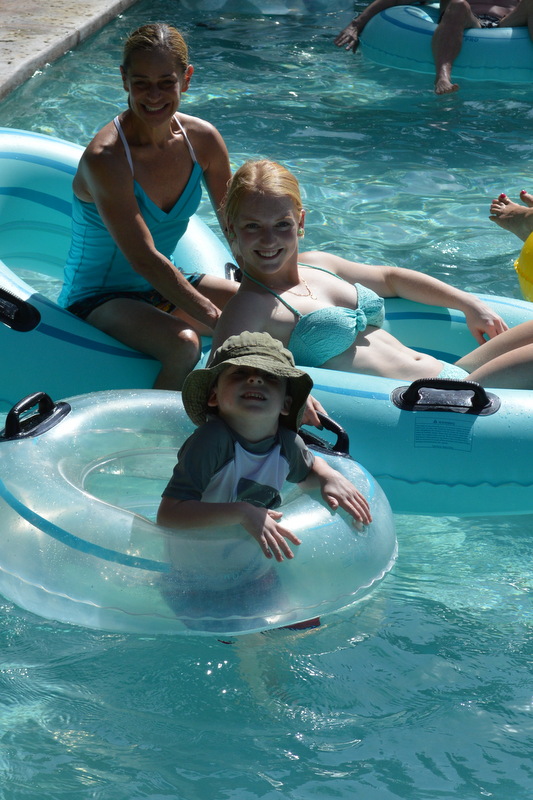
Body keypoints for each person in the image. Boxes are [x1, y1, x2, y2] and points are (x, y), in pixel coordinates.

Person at [210, 159, 533, 412]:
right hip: (433, 401)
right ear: (231, 228)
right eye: (253, 226)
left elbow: (391, 279)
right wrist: (290, 392)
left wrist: (469, 304)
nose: (269, 239)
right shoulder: (249, 307)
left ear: (301, 222)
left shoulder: (318, 264)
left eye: (282, 224)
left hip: (453, 373)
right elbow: (218, 383)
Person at [58, 23, 238, 390]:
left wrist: (265, 285)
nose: (154, 96)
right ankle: (155, 424)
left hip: (161, 286)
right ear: (124, 79)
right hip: (98, 298)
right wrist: (217, 319)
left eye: (166, 82)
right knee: (184, 344)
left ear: (186, 79)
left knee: (265, 312)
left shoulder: (203, 141)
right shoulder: (106, 158)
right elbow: (142, 257)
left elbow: (235, 225)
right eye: (141, 83)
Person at [157, 331, 372, 564]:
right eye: (240, 372)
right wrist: (243, 512)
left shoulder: (287, 443)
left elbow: (308, 469)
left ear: (286, 404)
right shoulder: (212, 440)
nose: (255, 379)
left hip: (252, 562)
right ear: (213, 397)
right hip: (195, 565)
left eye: (270, 376)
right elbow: (169, 514)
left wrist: (328, 475)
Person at [334, 0, 533, 95]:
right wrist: (356, 24)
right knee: (459, 4)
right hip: (468, 20)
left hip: (507, 23)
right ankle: (442, 77)